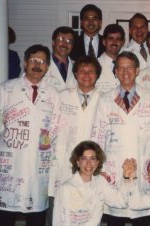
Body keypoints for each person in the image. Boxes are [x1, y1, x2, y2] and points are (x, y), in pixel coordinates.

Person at [0, 44, 60, 226]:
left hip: (38, 162)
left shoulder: (53, 94)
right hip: (12, 162)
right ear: (24, 62)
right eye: (33, 60)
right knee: (5, 217)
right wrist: (14, 140)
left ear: (47, 66)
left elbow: (56, 125)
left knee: (36, 216)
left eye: (42, 62)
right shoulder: (7, 88)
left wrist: (38, 144)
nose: (37, 65)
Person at [91, 51, 150, 226]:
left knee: (143, 216)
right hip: (114, 169)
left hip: (144, 168)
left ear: (137, 70)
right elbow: (98, 136)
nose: (125, 71)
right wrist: (99, 168)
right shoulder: (105, 99)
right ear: (115, 72)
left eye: (129, 67)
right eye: (120, 68)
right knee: (116, 215)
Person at [47, 55, 102, 225]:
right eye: (82, 71)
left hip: (90, 166)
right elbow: (49, 131)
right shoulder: (61, 97)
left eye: (91, 71)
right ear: (75, 74)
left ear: (97, 75)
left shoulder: (105, 99)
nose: (86, 75)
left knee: (89, 215)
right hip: (62, 165)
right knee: (58, 215)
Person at [53, 141, 131, 226]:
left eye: (92, 158)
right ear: (78, 162)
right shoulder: (66, 189)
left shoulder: (100, 182)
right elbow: (61, 222)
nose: (88, 163)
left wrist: (126, 177)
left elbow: (121, 202)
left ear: (97, 162)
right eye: (84, 158)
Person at [45, 26, 77, 91]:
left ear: (72, 46)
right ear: (53, 42)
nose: (64, 44)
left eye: (69, 41)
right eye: (60, 39)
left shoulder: (77, 67)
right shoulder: (42, 65)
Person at [96, 24, 125, 93]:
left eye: (118, 39)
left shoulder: (127, 64)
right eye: (110, 38)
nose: (114, 42)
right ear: (104, 42)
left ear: (122, 42)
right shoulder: (94, 65)